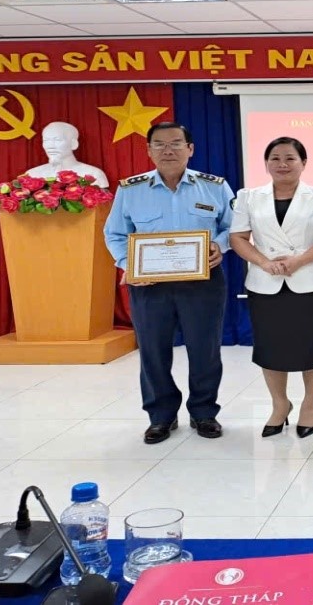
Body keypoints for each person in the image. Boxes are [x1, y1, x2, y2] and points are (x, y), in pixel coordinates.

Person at [103, 122, 233, 444]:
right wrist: (129, 264)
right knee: (153, 351)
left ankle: (204, 412)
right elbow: (114, 234)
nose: (168, 150)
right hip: (149, 285)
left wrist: (220, 245)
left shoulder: (214, 187)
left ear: (190, 149)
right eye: (159, 144)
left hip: (203, 282)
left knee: (205, 350)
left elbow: (234, 227)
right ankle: (160, 416)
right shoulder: (130, 190)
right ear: (148, 151)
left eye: (176, 143)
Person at [229, 137, 313, 439]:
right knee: (270, 348)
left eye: (290, 158)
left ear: (303, 163)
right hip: (265, 281)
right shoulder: (248, 197)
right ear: (266, 163)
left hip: (311, 281)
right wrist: (264, 262)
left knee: (312, 347)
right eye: (275, 158)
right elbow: (238, 238)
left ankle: (309, 404)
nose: (282, 164)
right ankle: (280, 404)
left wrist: (298, 261)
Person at [26, 121, 109, 187]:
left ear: (74, 144)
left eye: (57, 140)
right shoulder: (32, 174)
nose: (50, 146)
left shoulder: (93, 174)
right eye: (46, 140)